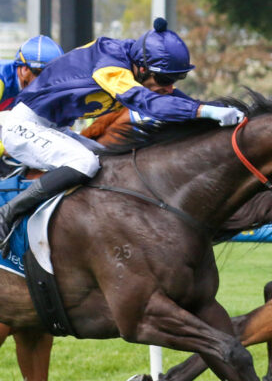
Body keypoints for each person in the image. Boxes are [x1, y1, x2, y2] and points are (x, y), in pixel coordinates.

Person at [0, 17, 245, 248]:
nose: (169, 87)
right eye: (164, 79)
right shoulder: (111, 67)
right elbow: (148, 102)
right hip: (25, 124)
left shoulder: (136, 64)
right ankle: (7, 213)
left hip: (55, 127)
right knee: (84, 163)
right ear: (141, 68)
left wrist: (214, 109)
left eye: (176, 79)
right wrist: (203, 111)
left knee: (114, 164)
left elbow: (171, 98)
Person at [0, 35, 64, 111]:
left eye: (53, 75)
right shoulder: (2, 78)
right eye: (42, 75)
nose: (48, 82)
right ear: (25, 69)